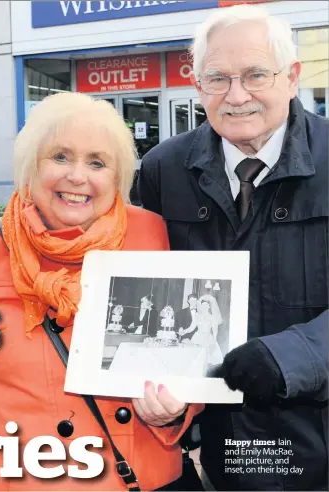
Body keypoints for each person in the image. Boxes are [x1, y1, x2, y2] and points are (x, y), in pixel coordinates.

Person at [0, 92, 202, 491]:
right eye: (59, 157)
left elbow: (188, 355)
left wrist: (176, 410)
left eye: (97, 162)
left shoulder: (151, 234)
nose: (77, 176)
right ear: (30, 165)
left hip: (142, 481)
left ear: (117, 178)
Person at [137, 4, 327, 490]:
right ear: (197, 85)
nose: (236, 95)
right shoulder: (164, 169)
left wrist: (290, 356)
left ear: (292, 77)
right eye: (217, 78)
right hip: (224, 447)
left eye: (256, 75)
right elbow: (143, 286)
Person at [179, 295, 223, 370]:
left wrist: (213, 342)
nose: (204, 308)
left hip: (208, 339)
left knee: (207, 360)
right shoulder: (197, 316)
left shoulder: (213, 318)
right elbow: (191, 327)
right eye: (202, 306)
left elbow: (215, 332)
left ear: (209, 307)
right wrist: (184, 331)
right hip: (197, 337)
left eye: (206, 306)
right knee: (195, 359)